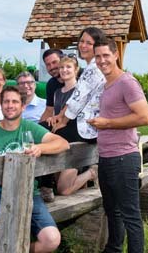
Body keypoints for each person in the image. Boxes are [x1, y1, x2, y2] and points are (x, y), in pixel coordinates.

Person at [88, 38, 148, 253]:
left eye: (106, 55)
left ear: (116, 55)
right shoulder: (106, 85)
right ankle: (113, 249)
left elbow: (144, 117)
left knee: (130, 215)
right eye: (98, 56)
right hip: (106, 157)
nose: (102, 60)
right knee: (112, 211)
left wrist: (108, 123)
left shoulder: (127, 82)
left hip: (124, 158)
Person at [0, 86, 69, 253]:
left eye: (15, 102)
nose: (10, 105)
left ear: (23, 106)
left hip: (29, 193)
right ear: (1, 105)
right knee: (7, 228)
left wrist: (40, 148)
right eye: (6, 102)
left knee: (51, 239)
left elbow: (63, 143)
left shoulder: (29, 128)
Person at [51, 26, 107, 140]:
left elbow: (79, 99)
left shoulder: (94, 68)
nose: (83, 46)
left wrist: (63, 122)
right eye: (81, 41)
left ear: (97, 46)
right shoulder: (91, 67)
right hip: (86, 121)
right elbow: (74, 96)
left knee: (46, 132)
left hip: (89, 127)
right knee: (46, 126)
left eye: (89, 43)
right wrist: (60, 116)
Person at [52, 56, 97, 196]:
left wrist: (62, 121)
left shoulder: (81, 89)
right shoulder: (57, 93)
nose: (64, 70)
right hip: (60, 141)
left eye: (68, 67)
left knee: (63, 189)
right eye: (61, 67)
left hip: (75, 139)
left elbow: (74, 111)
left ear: (76, 70)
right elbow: (57, 116)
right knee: (61, 186)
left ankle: (92, 172)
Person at [38, 48, 64, 124]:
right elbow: (49, 110)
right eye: (48, 65)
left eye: (54, 62)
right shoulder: (51, 84)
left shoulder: (81, 78)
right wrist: (37, 129)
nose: (52, 67)